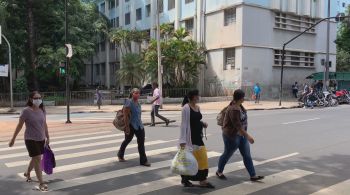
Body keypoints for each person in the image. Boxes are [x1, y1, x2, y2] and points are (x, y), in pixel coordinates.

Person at [216, 89, 264, 182]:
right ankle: (219, 171)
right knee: (227, 154)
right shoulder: (234, 109)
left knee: (247, 155)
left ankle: (253, 175)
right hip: (232, 136)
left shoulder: (239, 106)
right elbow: (237, 126)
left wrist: (245, 135)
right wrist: (248, 136)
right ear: (241, 98)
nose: (244, 98)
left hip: (241, 136)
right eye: (243, 97)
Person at [9, 92, 50, 191]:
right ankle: (41, 182)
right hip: (30, 139)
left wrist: (48, 137)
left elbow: (44, 124)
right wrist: (13, 139)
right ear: (31, 99)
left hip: (41, 138)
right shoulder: (26, 111)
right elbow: (19, 125)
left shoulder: (42, 110)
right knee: (37, 159)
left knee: (35, 158)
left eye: (40, 98)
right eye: (36, 98)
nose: (39, 99)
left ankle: (27, 173)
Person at [179, 90, 215, 188]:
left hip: (198, 137)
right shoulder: (186, 108)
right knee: (190, 160)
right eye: (197, 95)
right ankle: (187, 179)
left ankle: (202, 180)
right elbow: (184, 125)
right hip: (190, 138)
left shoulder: (197, 107)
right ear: (192, 97)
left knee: (202, 158)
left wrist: (203, 124)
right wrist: (182, 141)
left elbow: (197, 120)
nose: (198, 97)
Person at [117, 88, 151, 167]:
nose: (137, 94)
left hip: (139, 125)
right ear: (132, 94)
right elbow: (125, 116)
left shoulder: (138, 103)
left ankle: (143, 161)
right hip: (131, 125)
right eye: (136, 93)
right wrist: (127, 127)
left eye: (138, 93)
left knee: (141, 142)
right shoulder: (128, 102)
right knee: (127, 140)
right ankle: (120, 154)